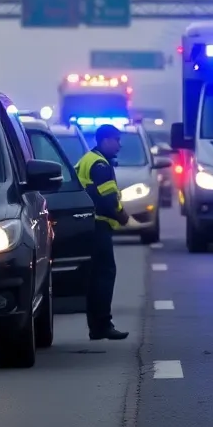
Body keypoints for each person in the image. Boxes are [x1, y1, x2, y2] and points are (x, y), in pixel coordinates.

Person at [75, 124, 131, 340]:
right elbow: (108, 199)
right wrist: (122, 216)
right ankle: (102, 325)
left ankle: (97, 326)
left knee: (95, 276)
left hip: (88, 225)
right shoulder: (100, 164)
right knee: (104, 276)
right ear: (105, 140)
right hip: (99, 225)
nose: (119, 144)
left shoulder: (87, 159)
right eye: (116, 139)